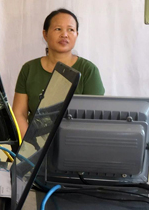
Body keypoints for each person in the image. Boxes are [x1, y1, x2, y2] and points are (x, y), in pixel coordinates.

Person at [12, 8, 104, 136]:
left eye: (70, 29)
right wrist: (30, 148)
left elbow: (95, 117)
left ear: (77, 34)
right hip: (36, 146)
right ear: (45, 34)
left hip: (76, 144)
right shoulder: (29, 69)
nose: (64, 35)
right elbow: (19, 114)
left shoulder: (88, 70)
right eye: (58, 29)